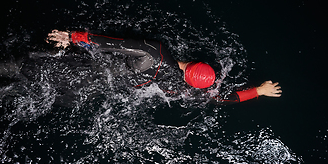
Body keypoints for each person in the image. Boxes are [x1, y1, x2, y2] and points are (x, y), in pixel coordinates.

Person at [45, 30, 282, 104]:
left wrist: (73, 36)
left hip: (94, 70)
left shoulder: (155, 53)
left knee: (20, 67)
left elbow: (113, 45)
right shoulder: (191, 92)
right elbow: (226, 98)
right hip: (106, 89)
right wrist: (259, 91)